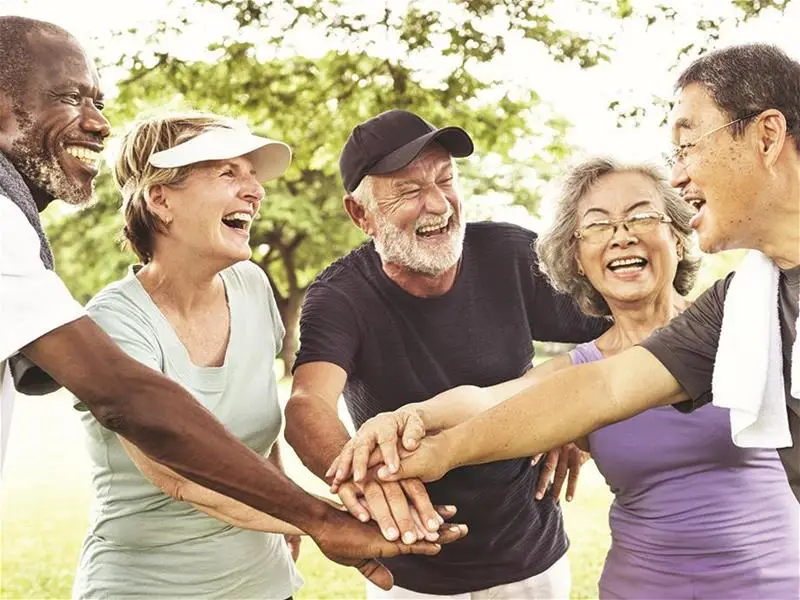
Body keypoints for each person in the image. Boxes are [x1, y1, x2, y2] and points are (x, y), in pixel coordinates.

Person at [0, 16, 463, 589]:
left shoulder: (251, 287)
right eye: (227, 172)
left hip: (266, 578)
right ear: (161, 200)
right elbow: (177, 474)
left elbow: (257, 437)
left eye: (252, 174)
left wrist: (290, 524)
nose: (255, 189)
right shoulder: (114, 321)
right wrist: (323, 520)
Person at [332, 158, 799, 598]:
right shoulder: (579, 371)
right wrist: (403, 417)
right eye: (598, 225)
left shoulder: (746, 322)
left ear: (678, 237)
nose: (621, 236)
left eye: (641, 217)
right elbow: (483, 400)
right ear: (577, 258)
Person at [367, 44, 800, 505]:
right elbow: (602, 387)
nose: (678, 176)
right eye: (596, 225)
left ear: (768, 136)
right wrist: (438, 446)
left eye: (688, 147)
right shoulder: (745, 307)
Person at [284, 108, 608, 599]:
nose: (437, 204)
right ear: (360, 215)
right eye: (409, 191)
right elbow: (308, 404)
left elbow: (621, 327)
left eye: (445, 180)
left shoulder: (512, 255)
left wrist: (573, 417)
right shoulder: (340, 295)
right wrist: (368, 480)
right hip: (411, 570)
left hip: (529, 559)